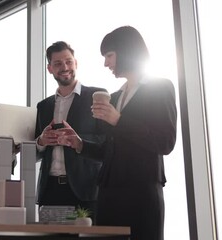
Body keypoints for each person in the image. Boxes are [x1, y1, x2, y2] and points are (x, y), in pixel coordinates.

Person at [90, 26, 177, 240]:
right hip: (108, 194)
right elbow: (109, 150)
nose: (106, 63)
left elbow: (165, 142)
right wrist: (79, 144)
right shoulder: (115, 97)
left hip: (141, 192)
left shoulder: (161, 87)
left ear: (126, 51)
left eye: (109, 55)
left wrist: (119, 120)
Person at [35, 41, 106, 219]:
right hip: (50, 191)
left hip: (86, 190)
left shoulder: (96, 96)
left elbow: (107, 141)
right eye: (58, 64)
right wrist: (41, 141)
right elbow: (35, 150)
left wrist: (79, 142)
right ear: (49, 68)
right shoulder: (43, 106)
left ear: (76, 63)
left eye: (68, 61)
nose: (65, 67)